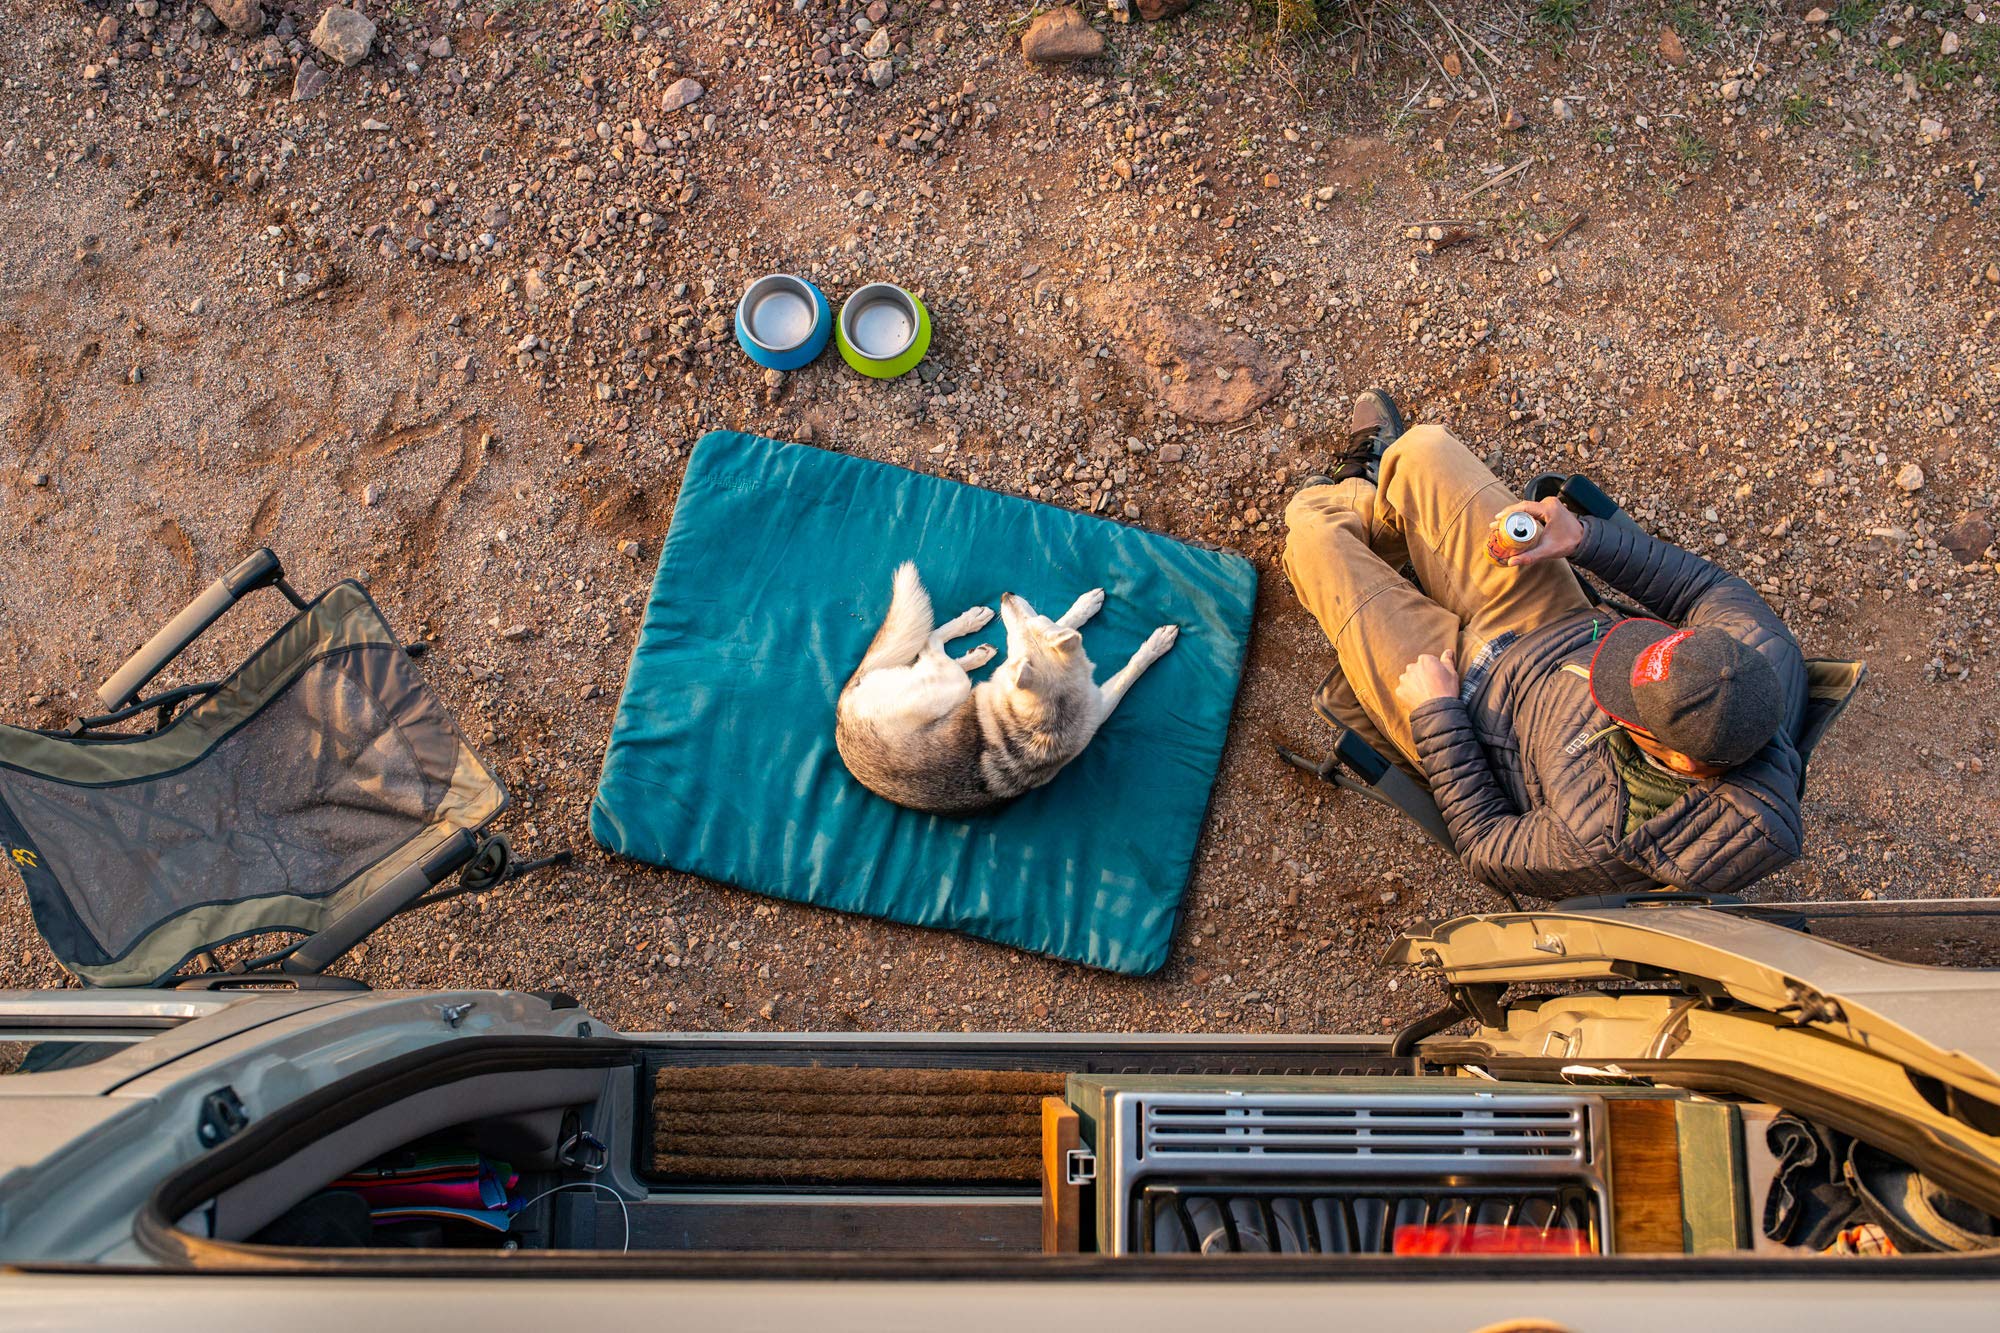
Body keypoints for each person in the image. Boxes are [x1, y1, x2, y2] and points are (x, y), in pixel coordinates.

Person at [1281, 388, 1809, 900]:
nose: (1615, 672)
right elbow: (1709, 588)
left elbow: (1486, 846)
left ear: (1682, 761)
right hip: (1555, 616)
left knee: (1312, 538)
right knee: (1423, 449)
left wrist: (1437, 714)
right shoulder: (1758, 662)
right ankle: (1382, 525)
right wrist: (1583, 538)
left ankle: (1353, 492)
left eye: (1623, 699)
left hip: (1465, 699)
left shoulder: (1603, 835)